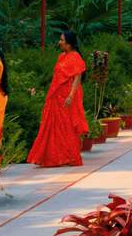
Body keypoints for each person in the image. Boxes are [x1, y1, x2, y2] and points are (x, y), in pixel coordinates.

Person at [27, 30, 89, 167]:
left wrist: (70, 96)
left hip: (67, 97)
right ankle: (54, 157)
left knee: (67, 127)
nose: (59, 42)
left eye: (62, 40)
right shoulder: (61, 56)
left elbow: (77, 79)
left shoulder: (76, 57)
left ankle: (71, 156)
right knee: (54, 126)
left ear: (69, 44)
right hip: (56, 96)